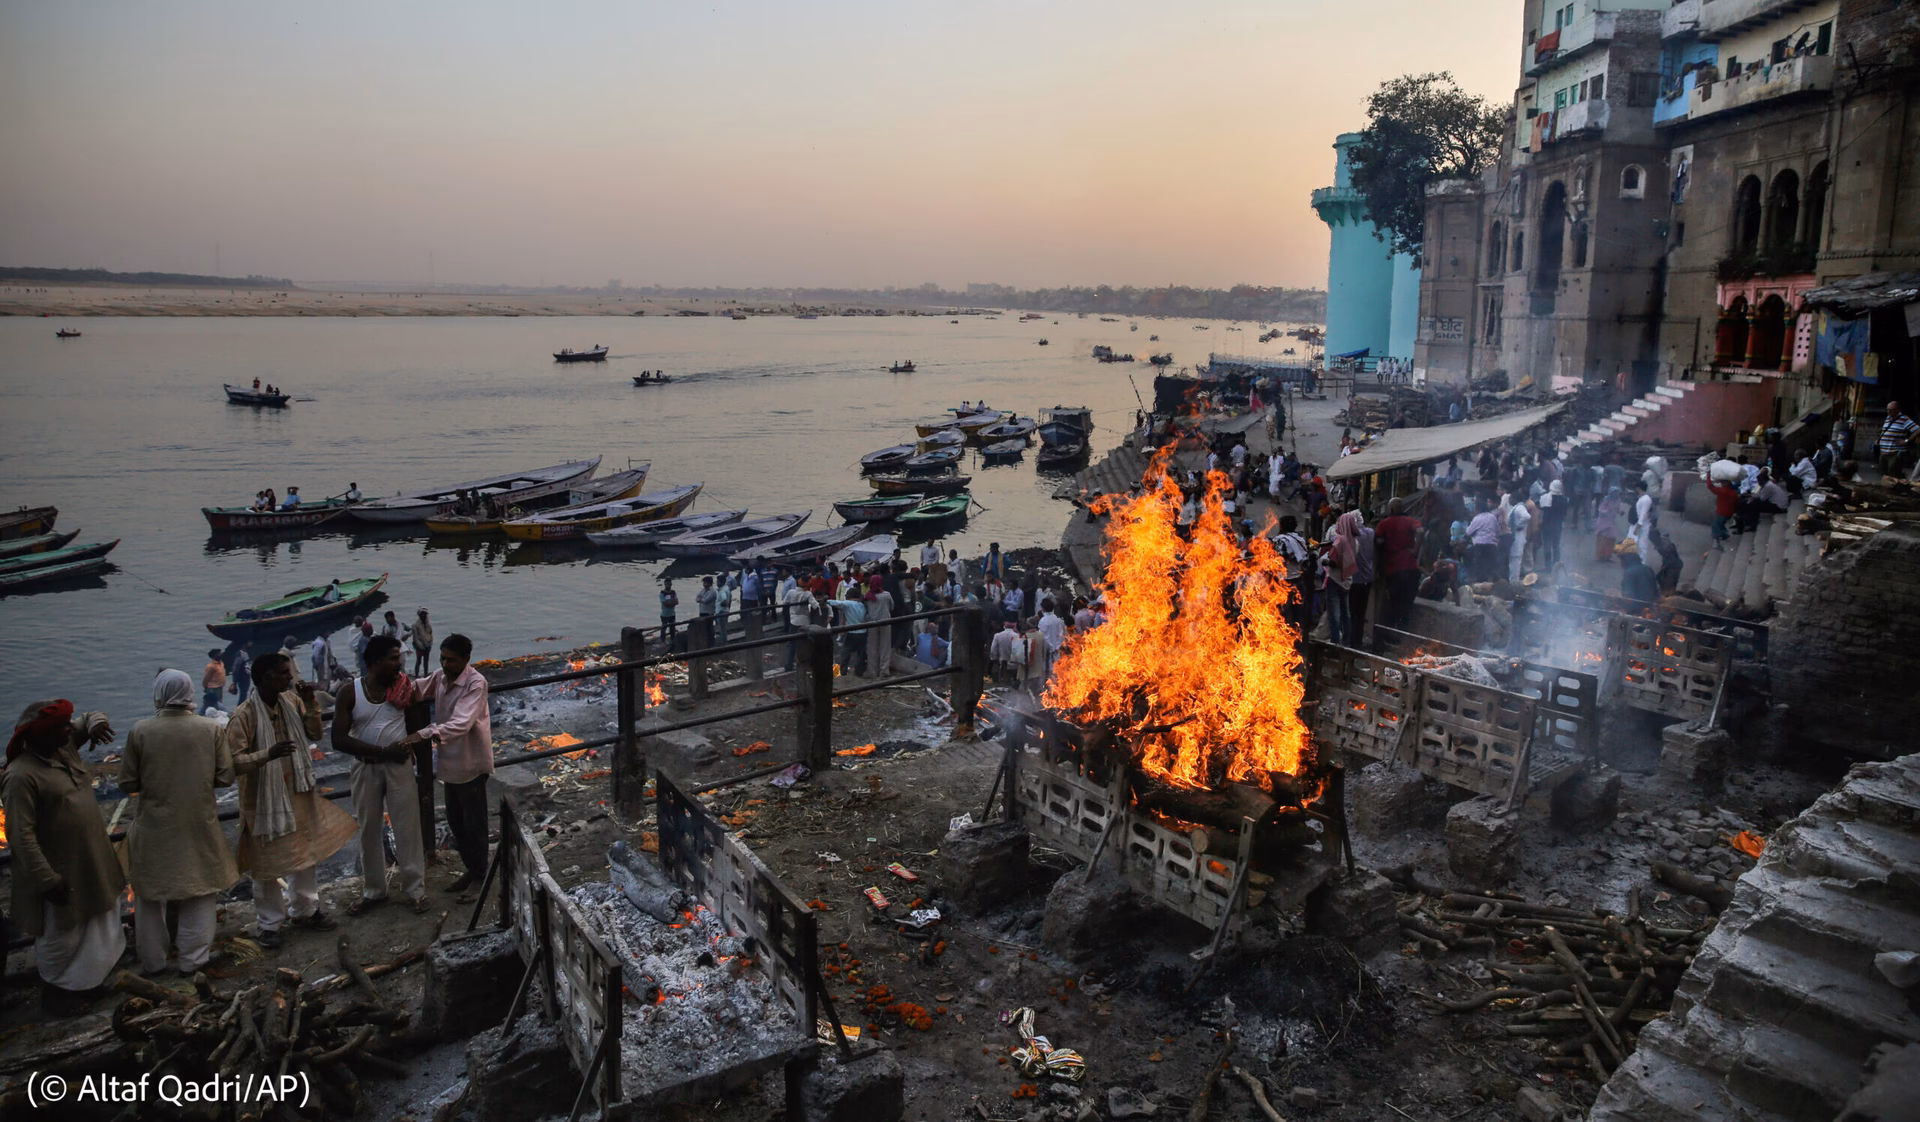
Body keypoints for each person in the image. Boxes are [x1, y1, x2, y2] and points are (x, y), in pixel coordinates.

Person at [4, 700, 125, 1010]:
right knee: (63, 933)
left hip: (91, 859)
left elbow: (91, 717)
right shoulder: (20, 776)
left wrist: (97, 722)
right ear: (40, 735)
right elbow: (21, 835)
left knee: (98, 922)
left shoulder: (64, 750)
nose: (68, 729)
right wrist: (46, 879)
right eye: (60, 726)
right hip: (60, 868)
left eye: (67, 724)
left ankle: (88, 982)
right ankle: (57, 991)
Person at [228, 652, 354, 948]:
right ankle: (269, 924)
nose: (290, 677)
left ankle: (306, 910)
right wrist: (267, 755)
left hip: (297, 789)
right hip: (263, 798)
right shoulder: (243, 716)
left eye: (289, 672)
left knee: (304, 851)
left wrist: (310, 702)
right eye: (283, 673)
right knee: (266, 861)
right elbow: (233, 763)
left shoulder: (293, 702)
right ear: (263, 679)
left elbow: (314, 733)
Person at [121, 671, 240, 977]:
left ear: (158, 693)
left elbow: (127, 782)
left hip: (154, 826)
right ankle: (192, 961)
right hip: (198, 822)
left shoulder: (140, 731)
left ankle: (153, 963)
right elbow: (225, 777)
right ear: (189, 693)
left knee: (150, 895)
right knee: (199, 889)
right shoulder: (210, 728)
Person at [334, 636, 430, 916]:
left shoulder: (404, 689)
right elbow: (339, 739)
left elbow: (417, 730)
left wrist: (425, 773)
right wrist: (383, 751)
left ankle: (415, 890)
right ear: (375, 661)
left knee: (407, 829)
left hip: (399, 767)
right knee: (369, 830)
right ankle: (374, 891)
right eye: (392, 658)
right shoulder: (349, 693)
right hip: (366, 767)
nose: (398, 664)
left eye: (398, 657)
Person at [415, 634, 491, 901]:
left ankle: (480, 877)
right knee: (457, 823)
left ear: (466, 660)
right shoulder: (439, 677)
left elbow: (461, 723)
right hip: (450, 765)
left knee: (474, 824)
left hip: (470, 763)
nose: (446, 664)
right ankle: (472, 870)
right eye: (443, 658)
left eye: (452, 660)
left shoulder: (475, 683)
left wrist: (424, 734)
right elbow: (416, 689)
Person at [1375, 497, 1422, 635]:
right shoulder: (1410, 521)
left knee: (1393, 604)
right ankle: (1403, 634)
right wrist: (1415, 550)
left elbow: (1378, 544)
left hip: (1393, 569)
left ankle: (1389, 635)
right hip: (1411, 568)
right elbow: (1420, 531)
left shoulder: (1384, 524)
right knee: (1407, 604)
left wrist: (1379, 567)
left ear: (1390, 509)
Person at [1322, 511, 1361, 645]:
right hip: (1347, 580)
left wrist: (1325, 561)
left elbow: (1334, 562)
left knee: (1334, 615)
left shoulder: (1340, 541)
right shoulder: (1355, 542)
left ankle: (1335, 644)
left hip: (1335, 579)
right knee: (1346, 614)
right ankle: (1346, 642)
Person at [1876, 402, 1917, 476]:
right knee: (1884, 474)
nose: (1889, 412)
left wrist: (1906, 441)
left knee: (1893, 474)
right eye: (1888, 410)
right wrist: (1879, 440)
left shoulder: (1904, 419)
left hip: (1895, 452)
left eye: (1891, 410)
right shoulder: (1888, 418)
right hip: (1884, 452)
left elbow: (1917, 430)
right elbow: (1886, 431)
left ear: (1897, 410)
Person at [865, 575, 894, 678]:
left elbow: (866, 610)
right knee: (885, 647)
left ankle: (872, 671)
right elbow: (892, 606)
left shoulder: (868, 596)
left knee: (872, 647)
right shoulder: (887, 595)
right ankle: (884, 670)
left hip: (872, 623)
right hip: (885, 621)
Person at [1465, 503, 1501, 583]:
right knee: (1492, 565)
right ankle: (1494, 582)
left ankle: (1480, 582)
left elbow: (1468, 532)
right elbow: (1497, 530)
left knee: (1480, 565)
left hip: (1480, 545)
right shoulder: (1492, 517)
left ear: (1477, 509)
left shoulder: (1477, 519)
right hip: (1491, 544)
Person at [1036, 597, 1067, 678]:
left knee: (1046, 673)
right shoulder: (1059, 620)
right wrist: (1056, 647)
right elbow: (1061, 635)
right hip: (1057, 650)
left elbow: (1043, 637)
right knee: (1056, 672)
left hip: (1047, 651)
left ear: (1042, 609)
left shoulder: (1043, 620)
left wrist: (1050, 648)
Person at [1538, 480, 1566, 570]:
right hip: (1557, 526)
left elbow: (1542, 510)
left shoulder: (1545, 498)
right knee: (1556, 546)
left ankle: (1548, 566)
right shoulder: (1564, 499)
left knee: (1547, 546)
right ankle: (1556, 566)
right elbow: (1564, 514)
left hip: (1547, 525)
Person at [1706, 474, 1739, 549]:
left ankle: (1716, 542)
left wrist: (1708, 476)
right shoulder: (1734, 493)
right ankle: (1724, 535)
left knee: (1716, 526)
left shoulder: (1722, 491)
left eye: (1722, 482)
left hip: (1721, 513)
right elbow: (1736, 503)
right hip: (1729, 513)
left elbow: (1710, 486)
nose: (1721, 483)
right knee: (1721, 524)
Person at [1505, 494, 1532, 580]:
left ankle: (1514, 582)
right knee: (1513, 560)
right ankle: (1513, 580)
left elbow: (1527, 516)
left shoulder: (1520, 507)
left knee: (1516, 561)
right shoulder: (1515, 508)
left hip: (1518, 538)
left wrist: (1518, 525)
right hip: (1514, 538)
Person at [1632, 481, 1658, 565]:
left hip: (1644, 525)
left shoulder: (1645, 499)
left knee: (1642, 544)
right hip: (1641, 524)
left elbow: (1643, 514)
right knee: (1638, 543)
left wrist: (1638, 526)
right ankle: (1638, 560)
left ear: (1639, 488)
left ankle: (1642, 562)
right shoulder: (1642, 498)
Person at [407, 607, 434, 675]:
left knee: (426, 661)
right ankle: (416, 675)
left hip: (428, 645)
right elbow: (415, 638)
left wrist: (430, 644)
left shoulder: (428, 625)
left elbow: (431, 634)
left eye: (425, 614)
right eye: (422, 614)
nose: (423, 616)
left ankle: (425, 675)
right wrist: (422, 647)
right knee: (418, 661)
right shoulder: (415, 625)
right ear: (419, 615)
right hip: (419, 646)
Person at [695, 576, 719, 645]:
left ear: (709, 583)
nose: (704, 584)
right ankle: (705, 641)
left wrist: (701, 599)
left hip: (709, 613)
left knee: (709, 628)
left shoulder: (713, 592)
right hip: (702, 611)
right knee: (703, 628)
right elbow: (697, 598)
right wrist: (701, 599)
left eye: (705, 583)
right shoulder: (703, 590)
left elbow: (706, 600)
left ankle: (711, 642)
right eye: (704, 583)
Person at [658, 579, 679, 648]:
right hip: (664, 614)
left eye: (669, 584)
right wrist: (671, 602)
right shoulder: (662, 593)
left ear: (671, 584)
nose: (668, 585)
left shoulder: (673, 592)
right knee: (663, 628)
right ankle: (663, 641)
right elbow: (665, 603)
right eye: (666, 584)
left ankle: (673, 640)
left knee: (672, 628)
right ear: (664, 584)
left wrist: (670, 602)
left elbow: (677, 602)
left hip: (672, 614)